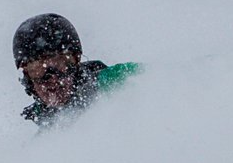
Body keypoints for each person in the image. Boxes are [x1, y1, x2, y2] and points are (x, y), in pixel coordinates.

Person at [13, 13, 141, 126]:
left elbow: (155, 75)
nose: (51, 77)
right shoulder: (40, 126)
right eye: (37, 69)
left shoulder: (106, 83)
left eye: (59, 64)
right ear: (27, 78)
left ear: (76, 63)